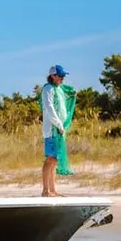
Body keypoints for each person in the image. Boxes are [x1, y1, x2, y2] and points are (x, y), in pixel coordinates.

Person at [41, 64, 70, 197]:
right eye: (60, 76)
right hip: (52, 130)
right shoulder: (48, 89)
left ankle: (53, 190)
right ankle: (46, 190)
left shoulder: (59, 89)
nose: (62, 78)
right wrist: (58, 124)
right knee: (50, 159)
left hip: (59, 129)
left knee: (55, 160)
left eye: (63, 76)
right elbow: (49, 107)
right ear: (53, 76)